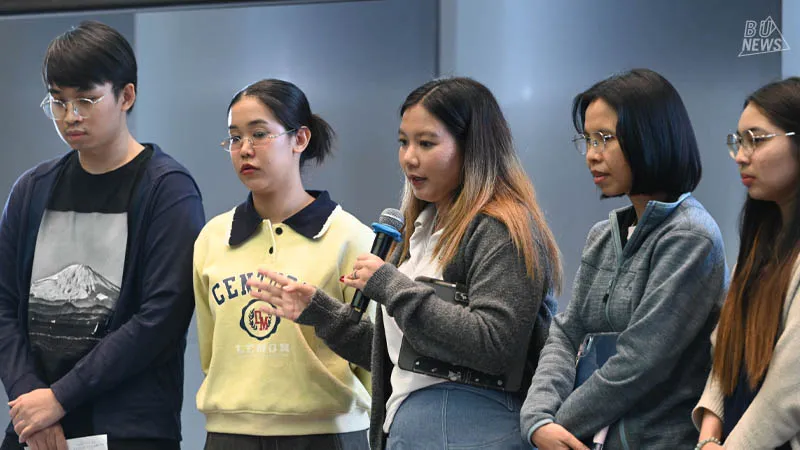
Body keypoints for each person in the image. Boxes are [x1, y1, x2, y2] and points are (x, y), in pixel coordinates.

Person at [247, 76, 562, 450]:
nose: (409, 157)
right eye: (403, 142)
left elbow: (494, 344)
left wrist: (391, 286)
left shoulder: (500, 227)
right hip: (411, 430)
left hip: (475, 431)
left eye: (426, 143)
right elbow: (407, 354)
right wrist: (321, 313)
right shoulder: (421, 228)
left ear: (472, 147)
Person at [0, 21, 205, 450]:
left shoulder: (167, 189)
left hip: (129, 432)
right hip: (34, 431)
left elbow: (160, 318)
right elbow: (3, 305)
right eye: (58, 101)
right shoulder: (32, 189)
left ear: (126, 96)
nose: (70, 116)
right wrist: (31, 403)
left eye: (86, 100)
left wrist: (59, 398)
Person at [521, 69, 728, 450]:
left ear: (651, 135)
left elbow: (640, 361)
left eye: (605, 138)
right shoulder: (603, 235)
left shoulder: (690, 235)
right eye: (587, 140)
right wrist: (537, 420)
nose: (592, 155)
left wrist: (557, 426)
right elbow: (567, 333)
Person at [192, 78, 373, 450]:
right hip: (230, 434)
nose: (245, 149)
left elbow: (373, 357)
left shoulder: (350, 237)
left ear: (300, 139)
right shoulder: (213, 237)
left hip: (327, 434)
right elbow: (210, 352)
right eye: (235, 138)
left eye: (259, 134)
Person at [692, 77, 800, 450]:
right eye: (738, 141)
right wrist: (709, 437)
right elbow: (726, 350)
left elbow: (789, 390)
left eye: (756, 140)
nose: (741, 155)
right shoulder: (761, 241)